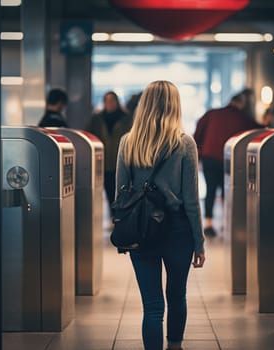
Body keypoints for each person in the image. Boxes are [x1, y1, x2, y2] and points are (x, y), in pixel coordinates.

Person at [115, 81, 205, 350]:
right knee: (177, 296)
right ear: (174, 105)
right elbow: (191, 201)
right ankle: (175, 346)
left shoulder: (128, 142)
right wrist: (199, 242)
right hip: (177, 230)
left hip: (141, 229)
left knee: (152, 307)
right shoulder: (184, 143)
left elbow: (121, 193)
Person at [194, 92, 262, 237]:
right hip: (229, 159)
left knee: (210, 190)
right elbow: (257, 130)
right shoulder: (242, 117)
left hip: (209, 157)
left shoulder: (212, 113)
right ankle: (226, 223)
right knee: (228, 191)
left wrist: (199, 153)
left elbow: (198, 132)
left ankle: (209, 224)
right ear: (241, 104)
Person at [87, 91, 132, 216]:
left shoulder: (127, 119)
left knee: (123, 188)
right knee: (108, 188)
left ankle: (121, 213)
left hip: (123, 160)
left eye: (112, 101)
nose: (109, 104)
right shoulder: (97, 119)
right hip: (104, 162)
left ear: (117, 102)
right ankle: (114, 213)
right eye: (107, 101)